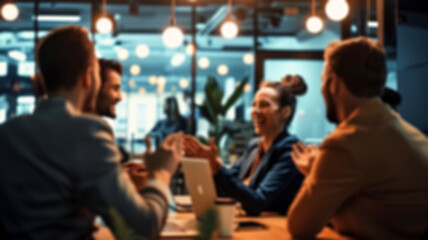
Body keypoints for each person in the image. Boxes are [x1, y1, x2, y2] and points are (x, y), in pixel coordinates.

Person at [0, 26, 182, 240]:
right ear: (88, 78)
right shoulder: (88, 131)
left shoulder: (7, 133)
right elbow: (143, 226)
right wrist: (161, 173)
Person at [288, 37, 428, 239]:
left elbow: (299, 227)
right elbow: (375, 208)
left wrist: (315, 172)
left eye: (323, 81)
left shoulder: (345, 143)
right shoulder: (408, 132)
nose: (322, 89)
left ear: (334, 83)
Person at [184, 77, 307, 216]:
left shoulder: (291, 151)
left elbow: (258, 202)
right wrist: (209, 168)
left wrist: (217, 168)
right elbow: (228, 188)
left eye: (264, 105)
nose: (255, 110)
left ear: (285, 112)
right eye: (254, 104)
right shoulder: (254, 146)